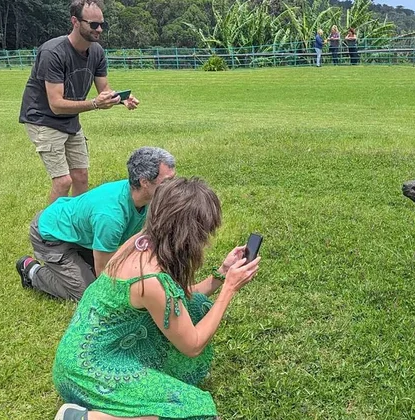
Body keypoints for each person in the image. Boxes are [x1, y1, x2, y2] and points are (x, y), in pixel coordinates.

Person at [51, 177, 261, 420]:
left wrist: (221, 275)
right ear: (189, 233)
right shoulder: (151, 279)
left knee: (196, 308)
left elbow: (177, 303)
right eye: (204, 233)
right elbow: (192, 345)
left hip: (81, 357)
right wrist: (229, 290)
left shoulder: (140, 243)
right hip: (89, 373)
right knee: (195, 411)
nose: (206, 240)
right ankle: (85, 418)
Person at [19, 0, 141, 203]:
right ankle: (47, 232)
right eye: (93, 25)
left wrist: (122, 99)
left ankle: (76, 225)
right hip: (43, 118)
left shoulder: (97, 52)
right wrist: (94, 104)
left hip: (70, 119)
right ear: (75, 21)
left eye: (102, 24)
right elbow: (56, 105)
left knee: (81, 177)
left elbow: (104, 90)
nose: (99, 29)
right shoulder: (53, 52)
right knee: (63, 181)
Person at [15, 147, 175, 301]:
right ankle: (32, 271)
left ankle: (77, 263)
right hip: (51, 235)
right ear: (144, 182)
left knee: (123, 269)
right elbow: (104, 270)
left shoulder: (148, 199)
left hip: (80, 236)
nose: (174, 186)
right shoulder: (110, 216)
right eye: (168, 181)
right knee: (89, 293)